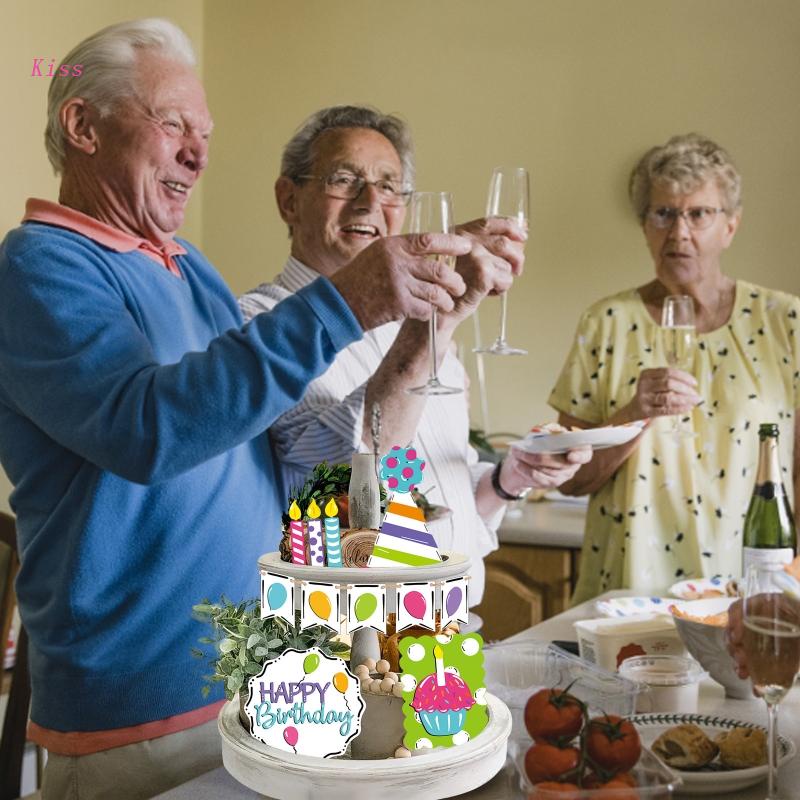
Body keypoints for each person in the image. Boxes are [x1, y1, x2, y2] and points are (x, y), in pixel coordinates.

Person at [0, 20, 478, 800]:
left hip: (266, 680)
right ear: (83, 125)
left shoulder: (189, 266)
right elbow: (147, 431)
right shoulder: (38, 266)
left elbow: (286, 455)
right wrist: (343, 303)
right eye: (173, 125)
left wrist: (438, 324)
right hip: (143, 710)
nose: (198, 154)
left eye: (205, 134)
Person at [239, 106, 591, 604]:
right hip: (351, 632)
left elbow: (434, 492)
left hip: (450, 626)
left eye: (389, 187)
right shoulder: (257, 322)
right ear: (288, 200)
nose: (370, 202)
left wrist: (511, 478)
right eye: (344, 180)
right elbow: (341, 481)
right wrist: (439, 320)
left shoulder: (421, 327)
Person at [550, 133, 800, 605]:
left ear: (730, 226)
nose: (679, 232)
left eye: (699, 214)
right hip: (626, 595)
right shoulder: (606, 322)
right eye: (663, 214)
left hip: (749, 591)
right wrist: (632, 415)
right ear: (645, 226)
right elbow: (569, 478)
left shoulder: (785, 321)